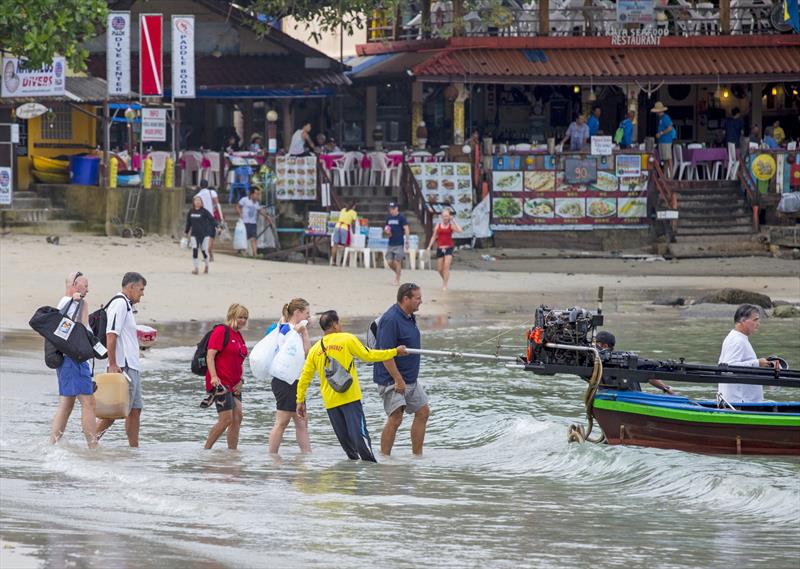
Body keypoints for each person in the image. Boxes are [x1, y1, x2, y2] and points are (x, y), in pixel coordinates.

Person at [296, 310, 408, 462]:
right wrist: (394, 351)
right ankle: (372, 476)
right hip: (350, 398)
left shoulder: (315, 350)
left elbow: (305, 377)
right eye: (339, 322)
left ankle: (351, 481)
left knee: (348, 449)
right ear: (335, 324)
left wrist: (300, 400)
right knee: (361, 440)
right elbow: (369, 355)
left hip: (330, 403)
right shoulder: (347, 339)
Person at [374, 283, 429, 456]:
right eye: (417, 298)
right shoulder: (390, 319)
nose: (421, 301)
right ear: (406, 299)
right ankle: (384, 458)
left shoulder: (409, 315)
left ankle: (417, 457)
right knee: (396, 417)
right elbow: (385, 354)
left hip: (410, 379)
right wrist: (398, 379)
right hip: (392, 378)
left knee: (423, 412)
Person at [96, 272, 147, 447]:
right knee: (114, 411)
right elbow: (111, 335)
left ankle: (134, 448)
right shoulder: (119, 303)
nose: (142, 294)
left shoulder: (127, 305)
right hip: (123, 366)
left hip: (133, 365)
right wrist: (112, 364)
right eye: (141, 289)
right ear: (131, 286)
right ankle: (91, 440)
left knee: (135, 409)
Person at [49, 271, 97, 449]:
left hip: (67, 359)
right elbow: (80, 329)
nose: (88, 290)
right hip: (73, 359)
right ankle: (93, 447)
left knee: (67, 403)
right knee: (88, 403)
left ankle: (52, 444)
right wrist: (76, 300)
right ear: (75, 286)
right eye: (85, 286)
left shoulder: (71, 303)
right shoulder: (69, 302)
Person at [268, 298, 312, 455]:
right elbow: (307, 353)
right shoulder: (292, 331)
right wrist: (304, 332)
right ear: (297, 312)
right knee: (282, 422)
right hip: (286, 381)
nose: (309, 317)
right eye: (307, 313)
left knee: (301, 420)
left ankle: (307, 456)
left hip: (294, 381)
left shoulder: (285, 327)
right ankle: (272, 457)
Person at [203, 304, 249, 449]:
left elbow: (240, 361)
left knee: (238, 417)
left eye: (245, 318)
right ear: (232, 316)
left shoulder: (239, 335)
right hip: (220, 383)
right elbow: (210, 356)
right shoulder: (221, 331)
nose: (242, 320)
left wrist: (241, 381)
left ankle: (232, 454)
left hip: (235, 383)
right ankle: (206, 449)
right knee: (226, 419)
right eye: (240, 317)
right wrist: (214, 377)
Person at [718, 304, 781, 404]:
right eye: (755, 320)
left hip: (740, 401)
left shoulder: (737, 337)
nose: (758, 324)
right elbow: (729, 367)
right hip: (739, 402)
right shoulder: (737, 340)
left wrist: (761, 365)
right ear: (743, 321)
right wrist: (757, 363)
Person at [595, 331, 674, 395]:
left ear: (605, 346)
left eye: (597, 344)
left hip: (631, 398)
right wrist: (666, 388)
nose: (594, 347)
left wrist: (666, 388)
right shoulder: (595, 361)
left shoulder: (625, 359)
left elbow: (649, 375)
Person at [426, 208, 462, 291]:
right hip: (440, 248)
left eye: (447, 216)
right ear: (441, 217)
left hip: (449, 247)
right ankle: (445, 279)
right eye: (444, 216)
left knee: (446, 267)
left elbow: (460, 230)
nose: (445, 217)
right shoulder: (438, 226)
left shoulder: (451, 225)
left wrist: (454, 220)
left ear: (449, 216)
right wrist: (429, 246)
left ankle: (445, 284)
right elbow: (434, 236)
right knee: (439, 269)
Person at [236, 187, 273, 258]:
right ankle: (242, 251)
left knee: (254, 238)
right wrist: (240, 213)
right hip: (245, 222)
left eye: (258, 194)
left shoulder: (256, 203)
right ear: (251, 194)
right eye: (256, 194)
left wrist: (267, 217)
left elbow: (260, 210)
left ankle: (255, 254)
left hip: (253, 223)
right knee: (244, 238)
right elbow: (237, 206)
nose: (257, 196)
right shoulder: (244, 200)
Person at [194, 180, 224, 262]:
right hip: (211, 219)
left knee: (204, 240)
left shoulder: (197, 196)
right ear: (207, 185)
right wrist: (222, 219)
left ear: (200, 186)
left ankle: (208, 256)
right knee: (210, 238)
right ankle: (209, 255)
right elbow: (218, 205)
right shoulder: (212, 193)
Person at [185, 196, 215, 274]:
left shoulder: (204, 211)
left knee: (204, 251)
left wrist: (217, 226)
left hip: (204, 234)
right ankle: (196, 268)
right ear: (193, 202)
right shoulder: (191, 211)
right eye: (196, 200)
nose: (198, 202)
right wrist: (186, 232)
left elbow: (212, 219)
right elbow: (188, 223)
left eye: (199, 200)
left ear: (201, 203)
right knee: (195, 250)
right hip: (194, 234)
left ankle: (206, 266)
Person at [384, 202, 409, 286]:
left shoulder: (401, 217)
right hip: (391, 242)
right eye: (390, 209)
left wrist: (407, 241)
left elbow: (406, 228)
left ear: (396, 208)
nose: (391, 210)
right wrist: (387, 232)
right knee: (389, 262)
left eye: (393, 209)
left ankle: (397, 279)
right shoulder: (388, 218)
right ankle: (398, 272)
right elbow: (387, 228)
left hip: (399, 242)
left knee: (397, 261)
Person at [330, 201, 358, 266]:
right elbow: (354, 222)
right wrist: (354, 232)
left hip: (337, 227)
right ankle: (345, 261)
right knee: (346, 245)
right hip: (345, 228)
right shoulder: (353, 212)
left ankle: (333, 261)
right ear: (354, 206)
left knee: (335, 245)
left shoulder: (343, 210)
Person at [652, 102, 675, 177]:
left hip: (666, 141)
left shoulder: (666, 117)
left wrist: (661, 133)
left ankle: (671, 175)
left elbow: (670, 128)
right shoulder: (661, 118)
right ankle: (665, 175)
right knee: (664, 159)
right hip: (662, 141)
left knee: (668, 158)